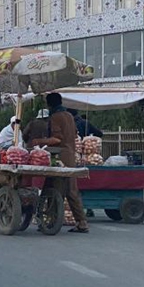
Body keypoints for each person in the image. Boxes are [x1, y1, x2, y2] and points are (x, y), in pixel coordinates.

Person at [32, 93, 89, 233]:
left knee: (58, 187)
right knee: (66, 189)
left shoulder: (55, 117)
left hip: (61, 156)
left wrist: (39, 141)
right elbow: (74, 134)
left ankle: (61, 221)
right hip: (70, 154)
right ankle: (75, 221)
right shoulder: (69, 115)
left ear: (49, 104)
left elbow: (57, 139)